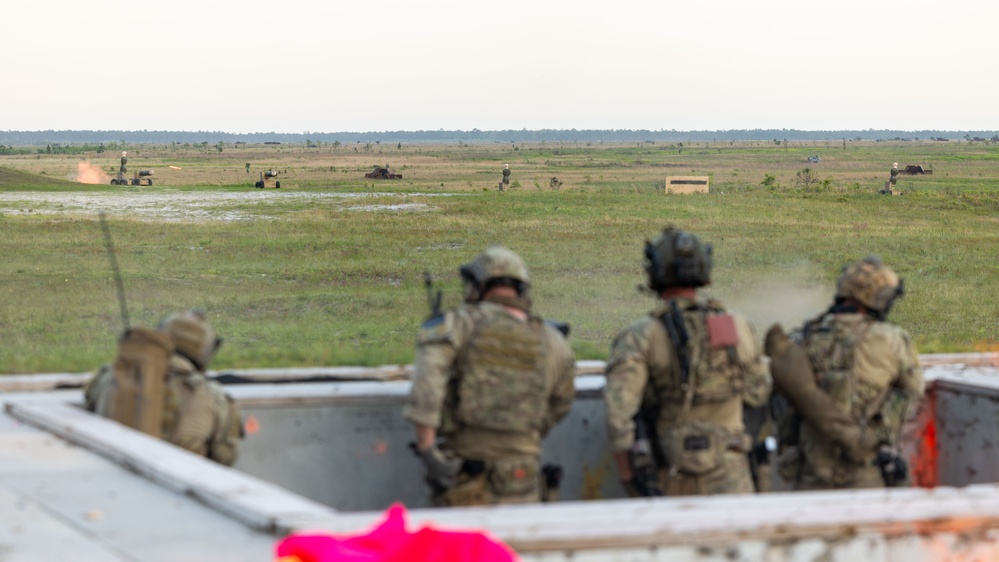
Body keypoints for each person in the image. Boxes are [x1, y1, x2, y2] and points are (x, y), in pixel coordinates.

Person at [604, 227, 771, 497]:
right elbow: (759, 392)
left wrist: (629, 477)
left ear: (655, 271)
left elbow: (619, 413)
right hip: (731, 471)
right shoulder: (734, 326)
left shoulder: (643, 334)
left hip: (670, 473)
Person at [403, 246, 576, 506]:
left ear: (476, 286)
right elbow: (561, 403)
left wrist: (429, 453)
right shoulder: (553, 341)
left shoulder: (456, 325)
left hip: (466, 474)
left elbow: (426, 389)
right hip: (524, 478)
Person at [773, 256, 923, 490]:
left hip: (808, 470)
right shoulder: (891, 340)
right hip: (866, 468)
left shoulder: (802, 338)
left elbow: (781, 402)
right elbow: (912, 390)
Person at [84, 309, 244, 466]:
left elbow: (87, 409)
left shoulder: (112, 376)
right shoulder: (212, 395)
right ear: (204, 350)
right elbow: (225, 457)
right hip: (180, 484)